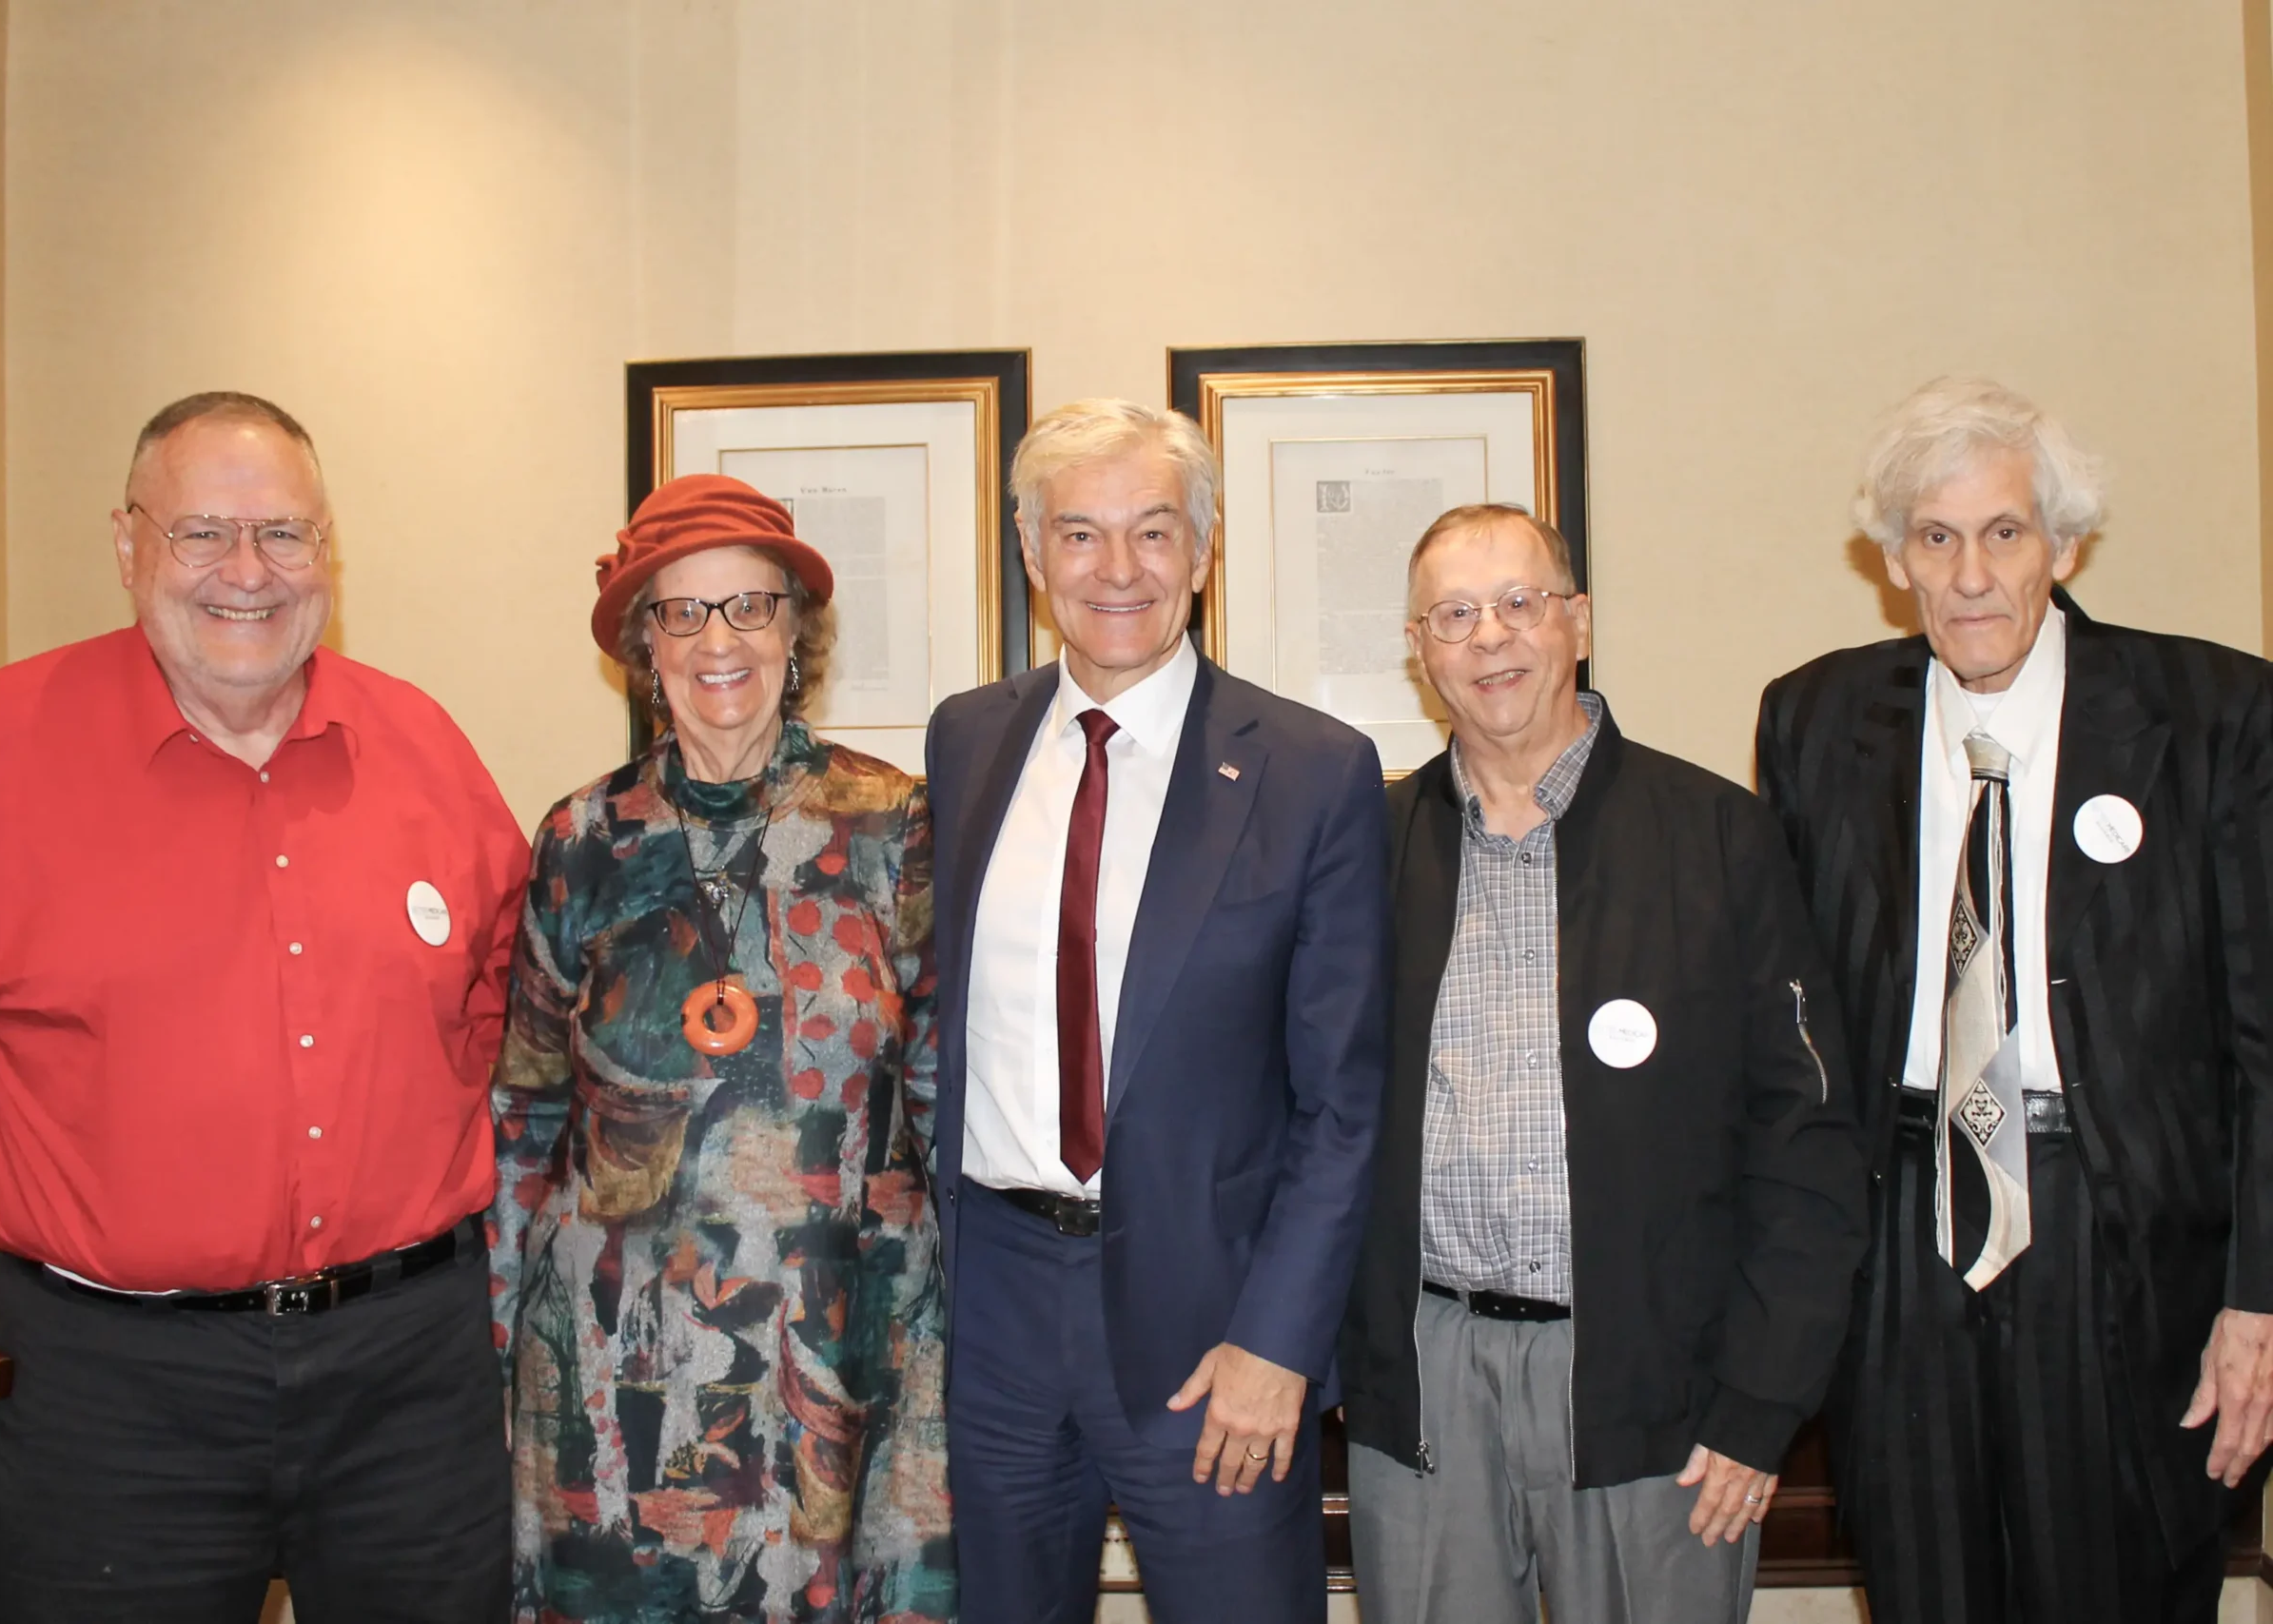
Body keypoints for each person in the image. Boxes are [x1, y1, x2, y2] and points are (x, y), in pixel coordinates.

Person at [0, 392, 530, 1621]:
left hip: (407, 1380)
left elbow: (487, 1015)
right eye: (202, 532)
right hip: (108, 1390)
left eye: (284, 534)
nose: (247, 574)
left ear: (330, 553)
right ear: (128, 545)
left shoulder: (424, 747)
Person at [1755, 377, 2273, 1622]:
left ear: (2066, 547)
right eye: (1935, 537)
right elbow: (1788, 1024)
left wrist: (2258, 1296)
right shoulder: (1815, 719)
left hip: (2121, 1240)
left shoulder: (2211, 716)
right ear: (1894, 562)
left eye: (2004, 532)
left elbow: (2265, 1038)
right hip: (1902, 1238)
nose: (1971, 572)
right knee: (1926, 1584)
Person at [1337, 503, 1866, 1622]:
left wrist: (1761, 1401)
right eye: (1455, 615)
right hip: (1426, 1377)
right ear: (1419, 648)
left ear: (1576, 619)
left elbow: (1806, 1137)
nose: (1491, 639)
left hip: (1653, 1386)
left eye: (1520, 603)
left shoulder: (1717, 836)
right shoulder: (1363, 848)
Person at [924, 399, 1388, 1624]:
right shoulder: (966, 739)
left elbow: (1343, 1102)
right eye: (1078, 535)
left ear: (1203, 548)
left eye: (1151, 532)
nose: (1116, 569)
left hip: (1212, 1333)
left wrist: (1280, 1343)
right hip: (995, 1315)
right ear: (1031, 556)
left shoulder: (1312, 769)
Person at [490, 473, 952, 1623]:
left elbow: (945, 1097)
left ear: (795, 628)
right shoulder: (579, 841)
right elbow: (524, 1120)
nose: (717, 640)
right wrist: (499, 1351)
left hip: (845, 1353)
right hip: (614, 1364)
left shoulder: (894, 821)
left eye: (748, 606)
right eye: (682, 612)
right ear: (643, 639)